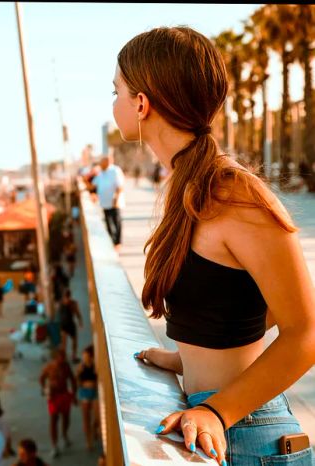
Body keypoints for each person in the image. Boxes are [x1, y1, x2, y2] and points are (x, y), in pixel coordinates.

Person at [114, 27, 315, 465]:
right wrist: (188, 359)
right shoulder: (189, 189)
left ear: (141, 103)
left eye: (116, 91)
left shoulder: (232, 193)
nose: (113, 104)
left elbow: (306, 333)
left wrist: (216, 409)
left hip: (249, 435)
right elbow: (246, 306)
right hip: (218, 421)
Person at [40, 348, 77, 458]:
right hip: (54, 397)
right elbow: (41, 378)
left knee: (66, 418)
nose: (64, 358)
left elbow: (72, 380)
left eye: (64, 356)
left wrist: (74, 395)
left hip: (64, 395)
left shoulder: (66, 366)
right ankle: (54, 445)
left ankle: (64, 435)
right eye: (62, 356)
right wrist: (45, 389)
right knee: (53, 420)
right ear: (56, 357)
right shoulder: (50, 367)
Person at [92, 154, 125, 251]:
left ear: (107, 162)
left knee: (117, 221)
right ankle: (112, 241)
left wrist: (116, 198)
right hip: (105, 203)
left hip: (115, 202)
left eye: (101, 162)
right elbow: (93, 185)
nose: (100, 164)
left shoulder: (115, 170)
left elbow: (120, 186)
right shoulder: (101, 172)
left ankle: (118, 243)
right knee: (108, 222)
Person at [76, 345, 100, 451]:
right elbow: (77, 380)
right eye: (83, 355)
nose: (84, 357)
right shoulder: (81, 366)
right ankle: (88, 441)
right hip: (85, 392)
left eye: (86, 355)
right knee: (86, 418)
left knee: (96, 417)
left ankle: (94, 428)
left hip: (94, 392)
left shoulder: (95, 365)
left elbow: (98, 377)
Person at [58, 289, 83, 362]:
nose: (67, 299)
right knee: (64, 343)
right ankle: (64, 358)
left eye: (67, 297)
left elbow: (77, 313)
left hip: (69, 324)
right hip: (64, 325)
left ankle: (73, 356)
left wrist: (80, 322)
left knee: (74, 342)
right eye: (66, 297)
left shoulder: (73, 303)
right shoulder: (62, 303)